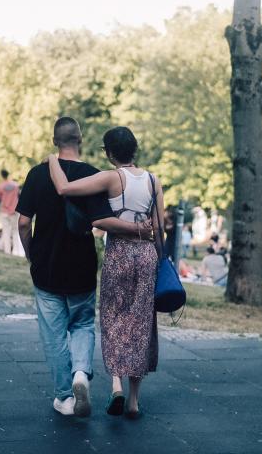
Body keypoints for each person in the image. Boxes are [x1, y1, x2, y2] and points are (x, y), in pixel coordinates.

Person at [17, 117, 151, 418]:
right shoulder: (94, 176)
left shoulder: (38, 174)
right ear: (80, 139)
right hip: (81, 267)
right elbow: (101, 223)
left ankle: (64, 397)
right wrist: (144, 229)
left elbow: (24, 223)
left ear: (55, 141)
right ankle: (81, 372)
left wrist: (31, 254)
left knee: (53, 333)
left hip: (46, 268)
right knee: (82, 324)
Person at [46, 124, 164, 420]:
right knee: (140, 324)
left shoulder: (111, 177)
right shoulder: (153, 180)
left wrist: (52, 160)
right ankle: (135, 400)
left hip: (120, 254)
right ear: (134, 149)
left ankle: (116, 386)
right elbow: (159, 228)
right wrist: (158, 260)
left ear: (109, 153)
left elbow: (65, 189)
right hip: (146, 256)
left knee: (113, 319)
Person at [0, 169, 20, 255]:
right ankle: (16, 250)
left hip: (4, 211)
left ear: (1, 175)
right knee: (15, 231)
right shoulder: (15, 185)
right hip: (14, 210)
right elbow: (18, 195)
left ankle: (7, 250)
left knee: (6, 231)